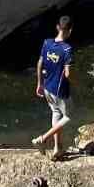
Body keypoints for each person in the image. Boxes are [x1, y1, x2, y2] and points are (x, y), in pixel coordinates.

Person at [32, 15, 74, 159]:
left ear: (57, 27)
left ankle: (57, 148)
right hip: (60, 90)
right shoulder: (67, 49)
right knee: (69, 116)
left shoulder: (47, 43)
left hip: (47, 87)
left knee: (56, 113)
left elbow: (39, 63)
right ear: (70, 30)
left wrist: (39, 84)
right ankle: (42, 139)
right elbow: (68, 74)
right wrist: (75, 81)